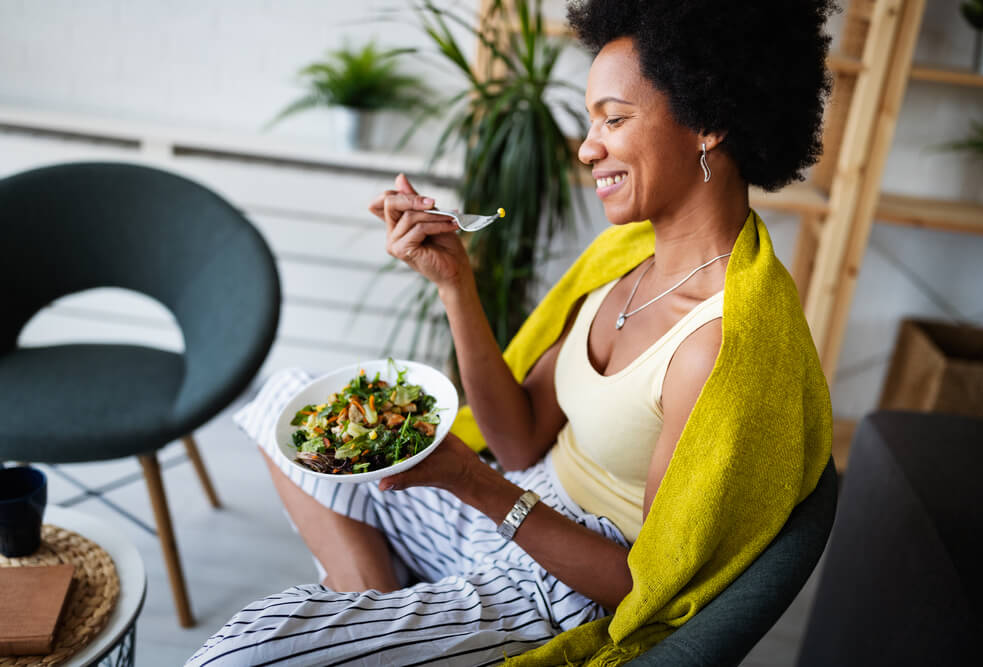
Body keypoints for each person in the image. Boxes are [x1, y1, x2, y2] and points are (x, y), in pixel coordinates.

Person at [189, 0, 834, 664]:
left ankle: (374, 627)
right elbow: (520, 438)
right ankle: (375, 610)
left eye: (614, 118)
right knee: (284, 402)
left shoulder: (719, 347)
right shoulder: (626, 261)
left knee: (241, 652)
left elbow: (644, 588)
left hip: (560, 582)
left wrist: (474, 482)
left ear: (709, 122)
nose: (588, 148)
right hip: (508, 505)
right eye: (592, 122)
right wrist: (454, 283)